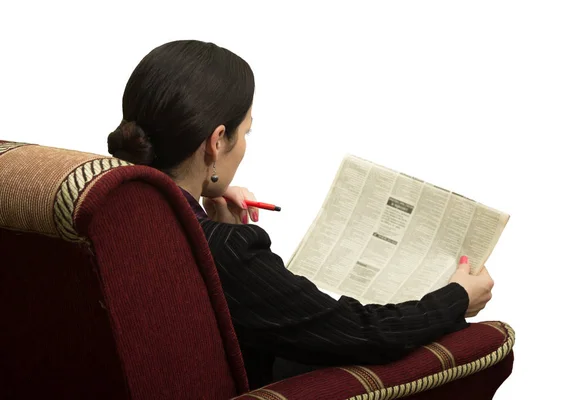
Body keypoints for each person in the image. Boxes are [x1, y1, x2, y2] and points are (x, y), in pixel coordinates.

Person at [107, 40, 494, 389]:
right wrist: (457, 298)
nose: (243, 147)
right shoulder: (221, 249)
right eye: (245, 133)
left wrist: (203, 202)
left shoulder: (102, 210)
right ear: (217, 140)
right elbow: (363, 334)